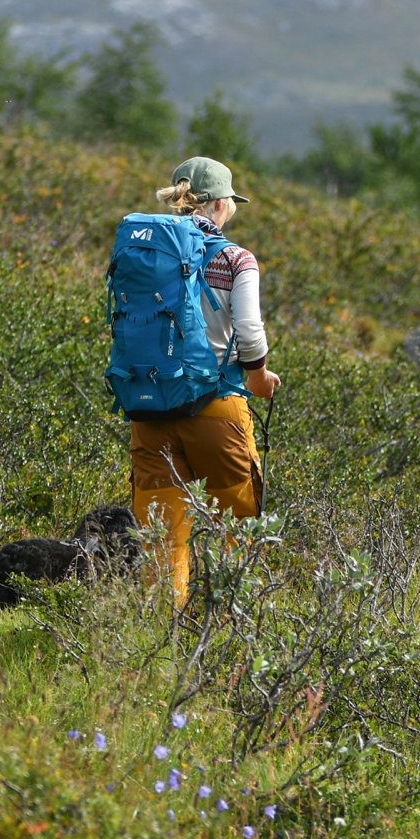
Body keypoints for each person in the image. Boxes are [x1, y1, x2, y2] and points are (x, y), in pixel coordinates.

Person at [129, 156, 280, 608]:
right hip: (217, 408)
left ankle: (163, 638)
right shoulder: (236, 259)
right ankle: (227, 633)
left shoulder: (144, 253)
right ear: (218, 204)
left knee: (163, 539)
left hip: (150, 407)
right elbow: (250, 333)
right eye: (230, 202)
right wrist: (258, 376)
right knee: (237, 529)